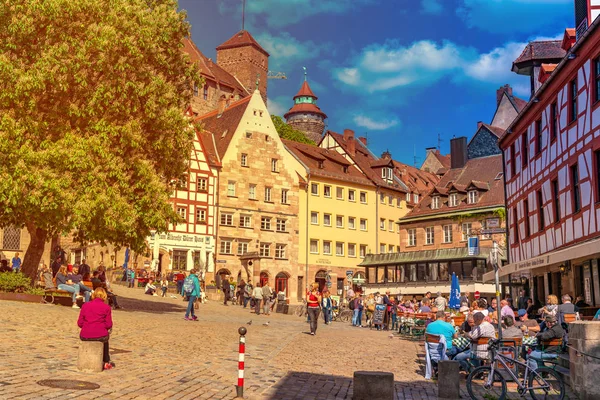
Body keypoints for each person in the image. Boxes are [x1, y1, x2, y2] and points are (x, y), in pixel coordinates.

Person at [77, 287, 114, 370]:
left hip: (85, 335)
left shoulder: (85, 305)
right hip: (100, 334)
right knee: (105, 340)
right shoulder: (106, 307)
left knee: (102, 336)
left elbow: (80, 323)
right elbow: (108, 324)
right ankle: (106, 361)